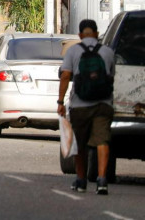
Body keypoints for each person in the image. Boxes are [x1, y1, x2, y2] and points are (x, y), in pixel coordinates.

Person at [58, 18, 116, 195]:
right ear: (97, 34)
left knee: (79, 143)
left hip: (79, 105)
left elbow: (65, 76)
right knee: (102, 141)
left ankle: (81, 180)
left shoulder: (73, 51)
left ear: (80, 35)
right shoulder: (108, 52)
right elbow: (111, 76)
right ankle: (102, 179)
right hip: (103, 104)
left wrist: (60, 102)